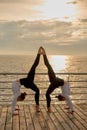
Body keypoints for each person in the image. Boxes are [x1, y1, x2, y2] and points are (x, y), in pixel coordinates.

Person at [40, 47, 74, 113]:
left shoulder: (63, 93)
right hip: (57, 82)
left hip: (57, 81)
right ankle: (69, 107)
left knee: (67, 97)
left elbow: (63, 96)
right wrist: (72, 110)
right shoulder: (64, 93)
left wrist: (58, 96)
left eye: (63, 99)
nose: (64, 99)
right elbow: (66, 98)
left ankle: (71, 109)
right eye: (63, 100)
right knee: (66, 97)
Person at [11, 47, 41, 116]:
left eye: (19, 100)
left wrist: (13, 111)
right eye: (19, 100)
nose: (18, 101)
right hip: (27, 83)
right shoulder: (17, 93)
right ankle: (38, 54)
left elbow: (14, 101)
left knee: (34, 66)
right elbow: (14, 100)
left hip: (27, 83)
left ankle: (38, 54)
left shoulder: (17, 93)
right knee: (34, 66)